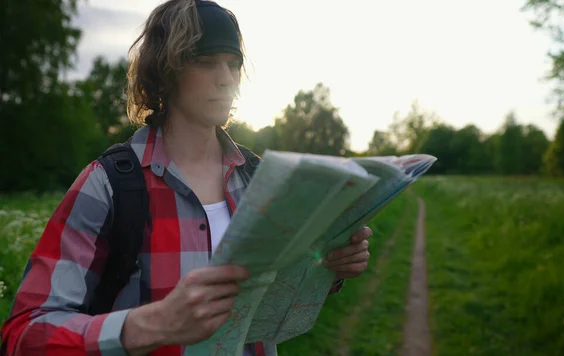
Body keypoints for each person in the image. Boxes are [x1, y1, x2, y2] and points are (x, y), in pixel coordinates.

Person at [0, 1, 372, 355]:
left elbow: (278, 297)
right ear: (165, 72)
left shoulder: (262, 178)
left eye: (233, 64)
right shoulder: (109, 185)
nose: (226, 79)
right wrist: (151, 324)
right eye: (207, 62)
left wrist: (328, 268)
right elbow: (24, 334)